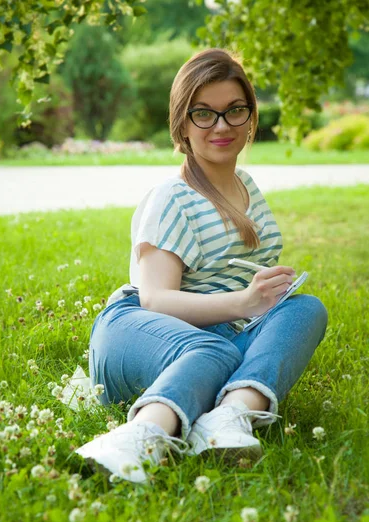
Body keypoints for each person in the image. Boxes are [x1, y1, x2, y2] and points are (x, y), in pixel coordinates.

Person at [75, 48, 328, 483]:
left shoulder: (247, 187)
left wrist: (266, 296)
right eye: (204, 114)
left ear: (251, 116)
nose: (223, 125)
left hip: (224, 334)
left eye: (235, 111)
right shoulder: (172, 198)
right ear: (182, 124)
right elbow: (154, 299)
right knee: (212, 350)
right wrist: (245, 302)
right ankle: (141, 435)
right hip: (140, 331)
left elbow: (242, 292)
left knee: (307, 309)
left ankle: (228, 417)